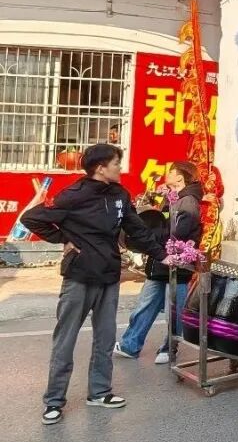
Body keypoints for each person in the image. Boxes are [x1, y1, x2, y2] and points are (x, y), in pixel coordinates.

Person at [21, 144, 167, 425]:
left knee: (105, 337)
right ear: (101, 168)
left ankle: (99, 392)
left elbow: (137, 229)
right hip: (79, 276)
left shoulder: (120, 195)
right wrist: (64, 239)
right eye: (116, 163)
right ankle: (54, 401)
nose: (120, 168)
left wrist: (163, 255)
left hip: (109, 275)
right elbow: (32, 218)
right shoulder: (73, 195)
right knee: (65, 340)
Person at [115, 161, 202, 364]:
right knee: (145, 305)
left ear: (180, 177)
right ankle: (130, 345)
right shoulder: (172, 198)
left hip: (178, 264)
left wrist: (152, 236)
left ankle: (169, 348)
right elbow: (163, 221)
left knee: (174, 310)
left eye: (171, 172)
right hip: (160, 261)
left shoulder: (188, 201)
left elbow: (179, 232)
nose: (167, 174)